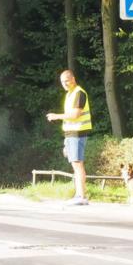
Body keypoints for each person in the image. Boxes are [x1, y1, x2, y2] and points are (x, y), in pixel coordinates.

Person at [46, 69, 91, 206]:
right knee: (75, 164)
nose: (64, 84)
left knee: (78, 164)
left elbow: (75, 115)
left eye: (66, 81)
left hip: (78, 133)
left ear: (73, 79)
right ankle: (79, 194)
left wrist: (56, 116)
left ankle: (81, 196)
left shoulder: (79, 93)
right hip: (71, 133)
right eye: (62, 82)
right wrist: (66, 141)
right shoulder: (70, 94)